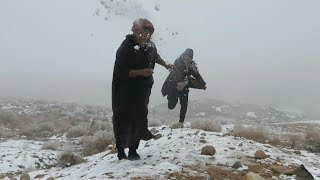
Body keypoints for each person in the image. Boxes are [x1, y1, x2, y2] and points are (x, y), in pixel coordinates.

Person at [112, 18, 173, 161]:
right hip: (124, 90)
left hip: (142, 89)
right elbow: (121, 71)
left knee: (139, 117)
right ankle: (121, 151)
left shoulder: (150, 45)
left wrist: (165, 64)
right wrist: (140, 72)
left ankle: (133, 150)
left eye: (149, 33)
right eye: (144, 32)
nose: (146, 36)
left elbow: (155, 56)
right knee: (123, 117)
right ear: (136, 31)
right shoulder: (125, 48)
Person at [161, 48, 206, 127]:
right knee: (171, 106)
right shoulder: (178, 61)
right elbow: (176, 73)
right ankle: (170, 96)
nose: (188, 58)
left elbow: (197, 74)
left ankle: (181, 122)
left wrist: (203, 84)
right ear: (183, 55)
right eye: (186, 56)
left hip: (184, 86)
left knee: (184, 104)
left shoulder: (191, 65)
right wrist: (179, 82)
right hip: (174, 85)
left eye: (190, 57)